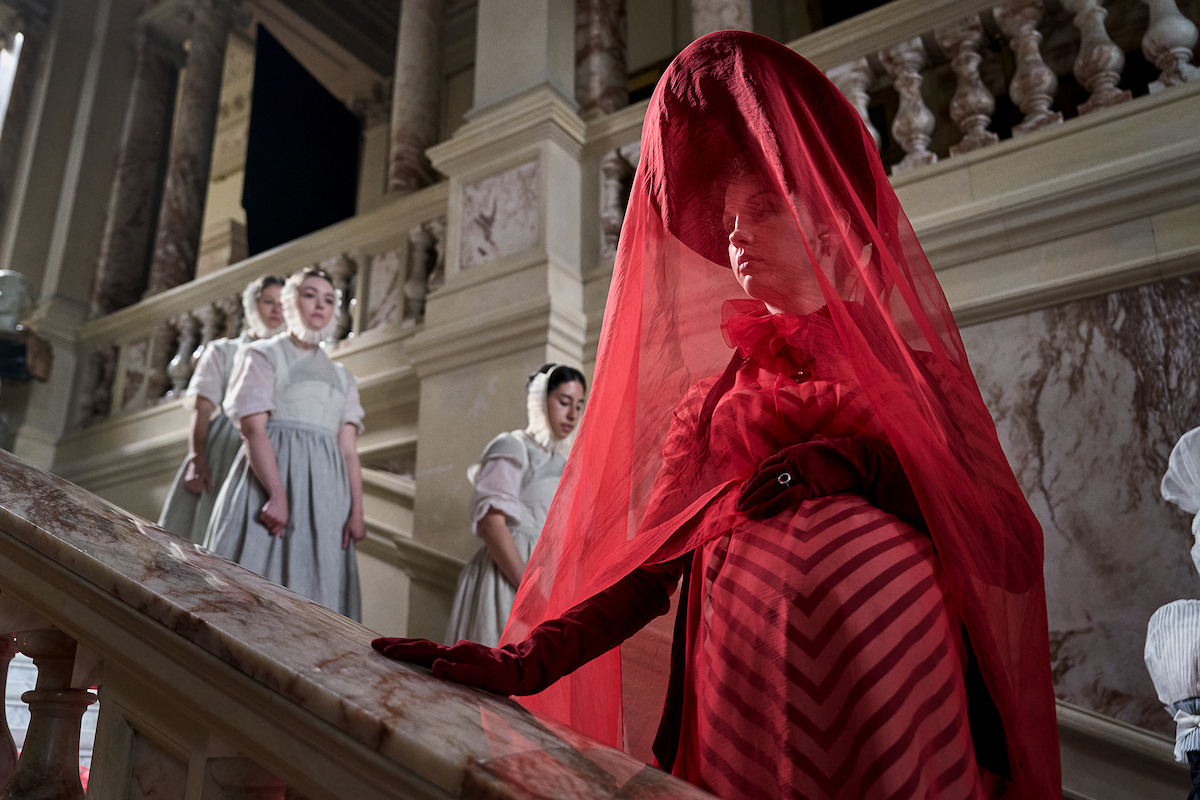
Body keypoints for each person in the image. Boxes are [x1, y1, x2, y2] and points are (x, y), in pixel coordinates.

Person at [373, 31, 1059, 799]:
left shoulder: (919, 382)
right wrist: (528, 661)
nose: (735, 234)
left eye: (762, 210)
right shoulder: (709, 409)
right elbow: (644, 574)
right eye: (729, 219)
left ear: (832, 237)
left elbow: (1004, 544)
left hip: (895, 693)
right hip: (744, 704)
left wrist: (863, 466)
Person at [205, 266, 365, 620]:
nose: (319, 306)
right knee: (250, 594)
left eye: (328, 299)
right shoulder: (264, 355)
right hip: (271, 480)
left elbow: (349, 451)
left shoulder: (343, 377)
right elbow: (252, 429)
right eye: (310, 295)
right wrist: (277, 494)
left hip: (326, 495)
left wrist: (356, 510)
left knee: (315, 601)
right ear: (292, 302)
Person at [444, 363, 587, 647]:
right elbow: (490, 523)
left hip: (548, 582)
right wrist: (527, 590)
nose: (572, 414)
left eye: (579, 406)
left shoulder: (564, 464)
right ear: (539, 400)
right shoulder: (512, 446)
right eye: (563, 402)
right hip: (508, 577)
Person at [158, 275, 285, 543]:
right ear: (253, 306)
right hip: (228, 444)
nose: (277, 310)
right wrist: (197, 459)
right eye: (268, 301)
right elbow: (202, 411)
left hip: (275, 447)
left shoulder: (288, 356)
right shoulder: (223, 351)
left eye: (283, 303)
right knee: (213, 531)